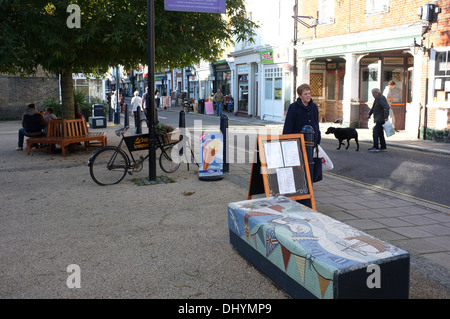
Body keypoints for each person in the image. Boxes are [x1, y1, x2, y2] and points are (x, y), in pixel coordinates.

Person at [283, 83, 321, 147]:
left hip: (312, 141)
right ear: (300, 96)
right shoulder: (293, 107)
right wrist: (286, 141)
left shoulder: (314, 106)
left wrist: (317, 138)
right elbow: (288, 125)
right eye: (305, 94)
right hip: (298, 141)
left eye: (309, 93)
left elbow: (316, 123)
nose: (308, 95)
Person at [368, 88, 390, 152]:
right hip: (379, 118)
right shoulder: (377, 99)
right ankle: (383, 147)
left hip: (381, 119)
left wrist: (386, 116)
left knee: (375, 132)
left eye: (373, 94)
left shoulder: (381, 98)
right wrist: (369, 114)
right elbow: (373, 108)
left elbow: (386, 107)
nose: (373, 95)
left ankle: (376, 147)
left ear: (377, 93)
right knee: (380, 133)